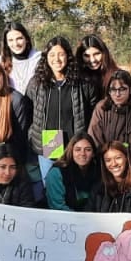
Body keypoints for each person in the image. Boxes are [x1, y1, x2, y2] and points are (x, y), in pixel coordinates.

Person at [25, 36, 98, 179]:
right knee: (51, 186)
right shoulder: (37, 83)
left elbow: (93, 111)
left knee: (74, 188)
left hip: (74, 146)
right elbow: (28, 111)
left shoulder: (82, 83)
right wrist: (33, 136)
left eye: (61, 54)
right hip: (48, 145)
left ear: (68, 56)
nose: (57, 59)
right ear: (46, 57)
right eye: (52, 55)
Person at [88, 70, 131, 175]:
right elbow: (94, 139)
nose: (117, 94)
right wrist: (106, 165)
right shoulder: (101, 108)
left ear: (130, 90)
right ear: (109, 91)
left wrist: (125, 172)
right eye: (113, 90)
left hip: (130, 172)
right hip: (103, 170)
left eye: (122, 89)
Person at [44, 133, 100, 212]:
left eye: (88, 150)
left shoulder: (99, 172)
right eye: (77, 149)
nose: (82, 153)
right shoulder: (56, 173)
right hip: (65, 220)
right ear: (71, 151)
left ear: (93, 153)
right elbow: (57, 207)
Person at [1, 21, 41, 92]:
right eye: (10, 40)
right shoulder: (0, 62)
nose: (16, 44)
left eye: (19, 38)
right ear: (6, 43)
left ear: (26, 39)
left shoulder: (40, 58)